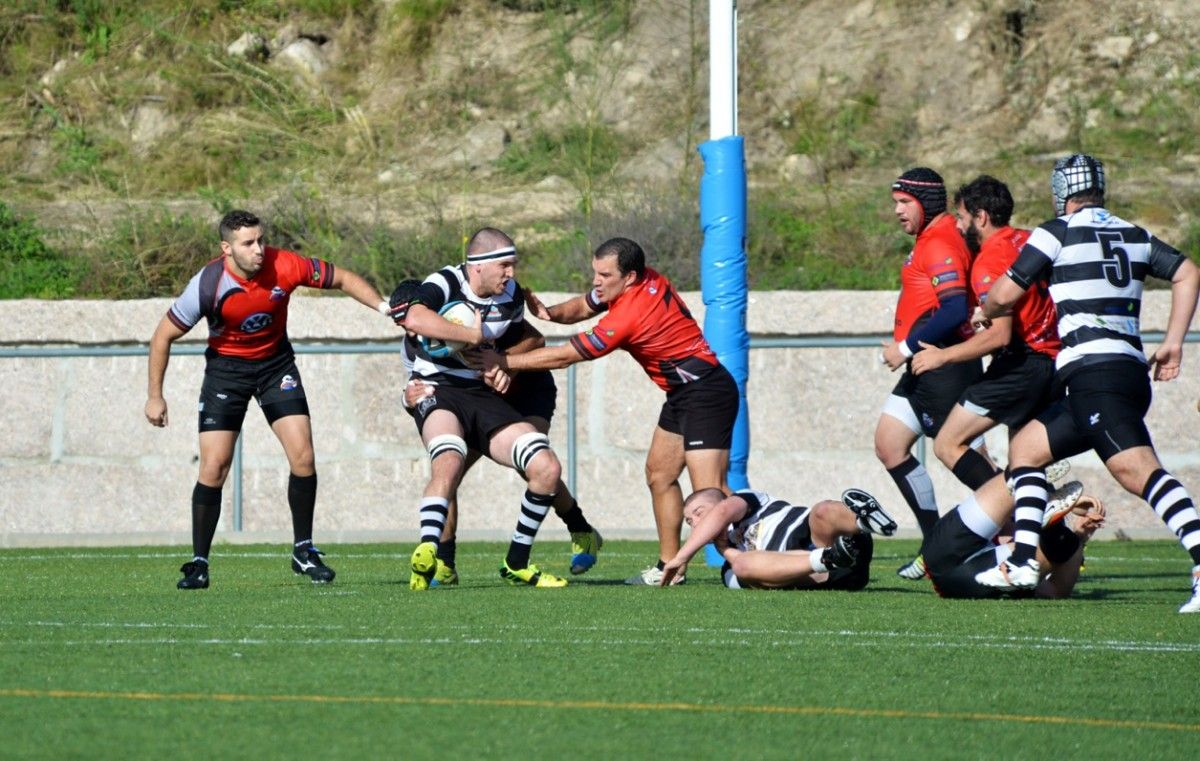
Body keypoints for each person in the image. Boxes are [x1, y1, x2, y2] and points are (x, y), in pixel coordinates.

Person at [968, 154, 1200, 614]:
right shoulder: (1133, 233)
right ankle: (1021, 562)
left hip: (1096, 373)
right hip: (1116, 373)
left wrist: (988, 310)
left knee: (1137, 472)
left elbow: (1007, 292)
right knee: (1026, 452)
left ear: (1061, 193)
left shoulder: (1057, 232)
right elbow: (1188, 271)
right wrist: (1173, 342)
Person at [145, 209, 393, 589]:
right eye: (248, 243)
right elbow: (162, 336)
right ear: (227, 248)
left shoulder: (285, 265)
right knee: (214, 467)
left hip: (276, 367)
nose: (259, 249)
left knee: (303, 456)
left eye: (261, 239)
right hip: (226, 372)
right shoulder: (207, 283)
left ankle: (304, 550)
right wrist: (155, 396)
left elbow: (341, 277)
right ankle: (198, 562)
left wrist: (382, 307)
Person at [480, 237, 739, 586]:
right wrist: (550, 314)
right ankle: (668, 568)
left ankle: (745, 561)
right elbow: (586, 306)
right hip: (683, 394)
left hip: (706, 392)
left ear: (629, 277)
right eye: (594, 272)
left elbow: (565, 356)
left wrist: (505, 361)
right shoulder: (644, 279)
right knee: (659, 475)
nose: (596, 281)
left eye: (604, 274)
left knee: (710, 493)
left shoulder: (630, 315)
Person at [395, 227, 596, 590]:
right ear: (477, 267)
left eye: (513, 265)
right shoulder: (445, 283)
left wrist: (504, 363)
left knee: (545, 466)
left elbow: (531, 339)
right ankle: (432, 554)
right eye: (505, 265)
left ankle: (518, 561)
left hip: (498, 392)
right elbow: (416, 320)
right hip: (443, 391)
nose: (512, 273)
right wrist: (472, 337)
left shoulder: (511, 294)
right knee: (450, 460)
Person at [911, 175, 1062, 488]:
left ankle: (1001, 512)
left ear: (981, 217)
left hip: (1022, 364)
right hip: (1054, 361)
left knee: (947, 443)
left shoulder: (990, 259)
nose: (958, 226)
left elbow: (1000, 336)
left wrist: (943, 357)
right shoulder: (1030, 239)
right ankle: (1048, 533)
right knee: (1022, 461)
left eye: (962, 218)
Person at [876, 167, 989, 580]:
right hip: (921, 364)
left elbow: (955, 309)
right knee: (890, 444)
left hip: (941, 363)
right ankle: (934, 543)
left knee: (958, 453)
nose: (898, 212)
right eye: (895, 203)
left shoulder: (941, 238)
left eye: (905, 203)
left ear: (926, 201)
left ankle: (1028, 526)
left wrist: (904, 346)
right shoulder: (929, 237)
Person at [659, 487, 898, 590]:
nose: (696, 524)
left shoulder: (750, 501)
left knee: (822, 511)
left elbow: (723, 512)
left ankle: (863, 522)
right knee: (742, 566)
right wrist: (726, 551)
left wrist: (682, 556)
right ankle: (828, 558)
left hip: (835, 537)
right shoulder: (727, 570)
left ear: (721, 501)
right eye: (690, 523)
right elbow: (758, 582)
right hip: (823, 573)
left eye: (699, 513)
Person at [924, 477, 1104, 600]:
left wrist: (1080, 536)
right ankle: (1034, 480)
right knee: (1061, 544)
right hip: (967, 580)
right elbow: (1056, 591)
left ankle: (1029, 473)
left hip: (946, 562)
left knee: (1017, 475)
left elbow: (1055, 591)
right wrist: (1079, 538)